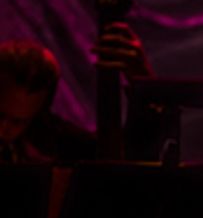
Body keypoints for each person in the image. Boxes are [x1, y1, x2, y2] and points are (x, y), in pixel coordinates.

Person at [0, 25, 153, 163]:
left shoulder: (52, 139)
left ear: (38, 114)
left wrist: (144, 83)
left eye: (18, 122)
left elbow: (125, 157)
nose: (2, 128)